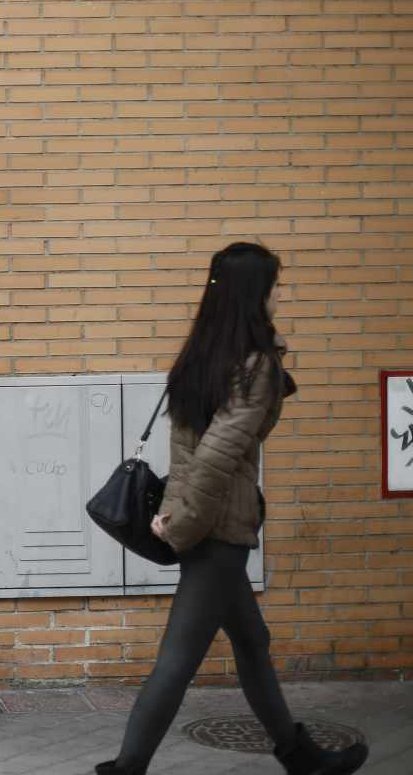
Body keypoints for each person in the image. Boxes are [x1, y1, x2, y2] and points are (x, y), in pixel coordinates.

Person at [97, 243, 369, 775]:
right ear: (255, 292)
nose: (282, 294)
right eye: (276, 284)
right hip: (217, 528)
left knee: (252, 639)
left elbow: (189, 449)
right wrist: (185, 524)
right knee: (177, 662)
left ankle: (298, 755)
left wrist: (176, 509)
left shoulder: (201, 354)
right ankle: (124, 770)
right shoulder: (255, 365)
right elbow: (216, 455)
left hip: (206, 517)